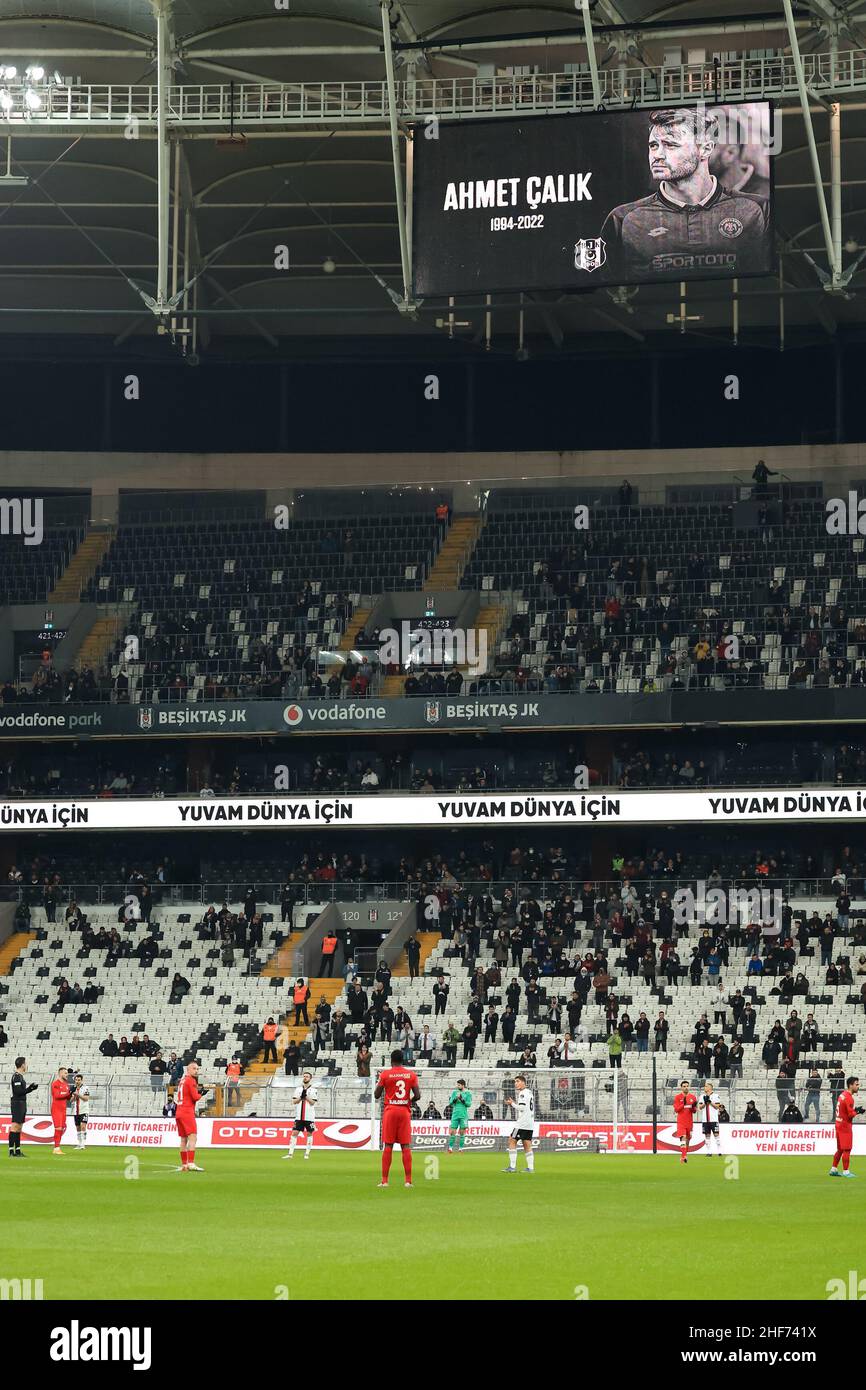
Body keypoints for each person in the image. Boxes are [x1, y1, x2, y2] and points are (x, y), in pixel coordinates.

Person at [375, 1048, 420, 1188]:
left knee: (388, 1145)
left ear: (391, 1060)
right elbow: (418, 1096)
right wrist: (407, 1101)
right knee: (405, 1146)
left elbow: (376, 1095)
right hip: (404, 1111)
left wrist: (379, 1082)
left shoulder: (385, 1074)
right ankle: (408, 1181)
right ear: (403, 1060)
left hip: (390, 1111)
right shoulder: (411, 1075)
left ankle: (385, 1181)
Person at [174, 1061, 212, 1172]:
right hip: (187, 1111)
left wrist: (199, 1091)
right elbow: (195, 1097)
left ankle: (184, 1164)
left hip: (179, 1111)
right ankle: (190, 1163)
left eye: (197, 1069)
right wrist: (202, 1092)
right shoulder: (191, 1080)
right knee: (193, 1137)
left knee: (183, 1139)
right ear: (188, 1070)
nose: (196, 1071)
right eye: (194, 1068)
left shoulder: (182, 1080)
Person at [829, 1075, 864, 1178]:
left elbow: (844, 1110)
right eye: (856, 1084)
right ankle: (846, 1171)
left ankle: (833, 1169)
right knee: (847, 1149)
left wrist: (855, 1110)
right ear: (850, 1085)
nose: (858, 1086)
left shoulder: (842, 1095)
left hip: (838, 1123)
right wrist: (857, 1111)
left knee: (840, 1149)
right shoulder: (849, 1098)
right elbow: (850, 1115)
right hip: (845, 1125)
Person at [503, 1074, 536, 1174]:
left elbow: (522, 1108)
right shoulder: (529, 1092)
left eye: (517, 1081)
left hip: (522, 1123)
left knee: (512, 1141)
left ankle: (512, 1167)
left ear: (523, 1082)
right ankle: (530, 1168)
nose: (515, 1084)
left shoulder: (522, 1093)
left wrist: (512, 1104)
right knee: (527, 1144)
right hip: (530, 1123)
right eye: (515, 1082)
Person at [284, 1070, 318, 1161]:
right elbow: (294, 1101)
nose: (305, 1078)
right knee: (294, 1133)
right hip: (299, 1116)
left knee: (309, 1133)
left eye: (307, 1076)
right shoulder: (298, 1089)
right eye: (304, 1076)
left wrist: (306, 1096)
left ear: (310, 1078)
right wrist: (301, 1097)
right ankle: (290, 1154)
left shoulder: (313, 1090)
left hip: (309, 1116)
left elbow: (313, 1102)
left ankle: (307, 1153)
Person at [9, 1056, 37, 1157]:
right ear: (22, 1065)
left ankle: (17, 1150)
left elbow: (21, 1091)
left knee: (19, 1127)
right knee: (15, 1126)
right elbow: (17, 1091)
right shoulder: (16, 1076)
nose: (26, 1065)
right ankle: (11, 1151)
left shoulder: (20, 1077)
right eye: (26, 1063)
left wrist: (30, 1089)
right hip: (17, 1103)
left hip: (21, 1103)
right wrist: (30, 1089)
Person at [673, 1079, 698, 1165]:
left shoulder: (693, 1097)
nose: (686, 1088)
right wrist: (683, 1104)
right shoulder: (677, 1097)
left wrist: (693, 1107)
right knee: (683, 1138)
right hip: (681, 1122)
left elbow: (694, 1111)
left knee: (687, 1140)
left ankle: (684, 1155)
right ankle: (683, 1157)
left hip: (689, 1122)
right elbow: (676, 1110)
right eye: (684, 1086)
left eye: (687, 1086)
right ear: (681, 1088)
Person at [697, 1080, 722, 1157]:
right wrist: (705, 1103)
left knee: (716, 1135)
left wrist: (710, 1102)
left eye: (706, 1086)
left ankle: (719, 1151)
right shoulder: (702, 1096)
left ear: (710, 1088)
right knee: (707, 1136)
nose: (705, 1087)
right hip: (705, 1120)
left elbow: (718, 1106)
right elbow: (700, 1107)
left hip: (713, 1119)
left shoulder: (716, 1096)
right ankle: (709, 1151)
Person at [50, 1066, 72, 1154]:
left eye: (67, 1073)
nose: (67, 1075)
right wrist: (68, 1093)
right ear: (60, 1073)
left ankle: (58, 1147)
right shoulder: (55, 1083)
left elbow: (67, 1098)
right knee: (58, 1128)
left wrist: (71, 1094)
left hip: (63, 1109)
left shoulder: (66, 1084)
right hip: (56, 1108)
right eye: (65, 1073)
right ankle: (56, 1148)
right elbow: (57, 1096)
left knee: (61, 1128)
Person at [447, 1079, 472, 1153]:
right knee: (452, 1132)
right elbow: (450, 1103)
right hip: (455, 1114)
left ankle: (460, 1149)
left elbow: (469, 1104)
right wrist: (455, 1099)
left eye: (459, 1085)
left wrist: (461, 1099)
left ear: (463, 1085)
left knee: (462, 1132)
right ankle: (450, 1148)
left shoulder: (468, 1093)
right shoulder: (454, 1092)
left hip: (463, 1115)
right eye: (457, 1085)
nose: (457, 1086)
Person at [72, 1072, 90, 1150]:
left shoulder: (85, 1088)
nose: (77, 1081)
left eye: (79, 1080)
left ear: (82, 1080)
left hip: (84, 1110)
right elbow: (71, 1100)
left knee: (83, 1126)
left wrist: (78, 1094)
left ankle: (83, 1144)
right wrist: (74, 1096)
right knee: (78, 1128)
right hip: (76, 1111)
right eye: (76, 1080)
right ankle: (79, 1144)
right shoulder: (73, 1088)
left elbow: (86, 1098)